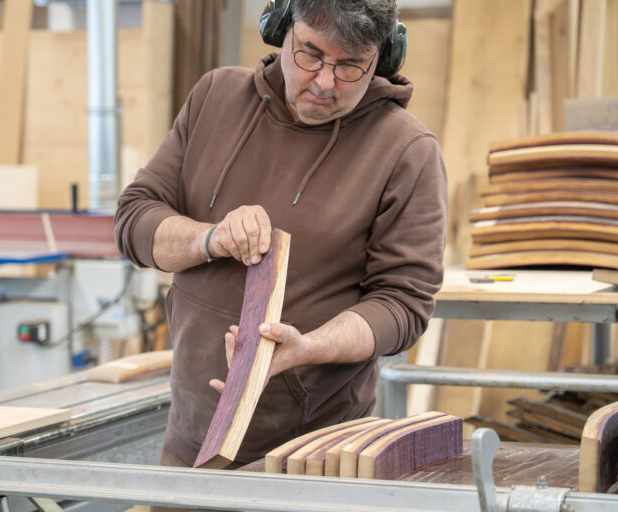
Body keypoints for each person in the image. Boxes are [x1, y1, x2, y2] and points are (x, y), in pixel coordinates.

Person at [115, 0, 447, 481]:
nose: (325, 82)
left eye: (351, 65)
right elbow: (133, 220)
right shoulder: (215, 98)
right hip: (189, 442)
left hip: (316, 462)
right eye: (310, 54)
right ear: (279, 28)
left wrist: (308, 347)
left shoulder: (406, 151)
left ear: (384, 57)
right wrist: (210, 238)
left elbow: (403, 304)